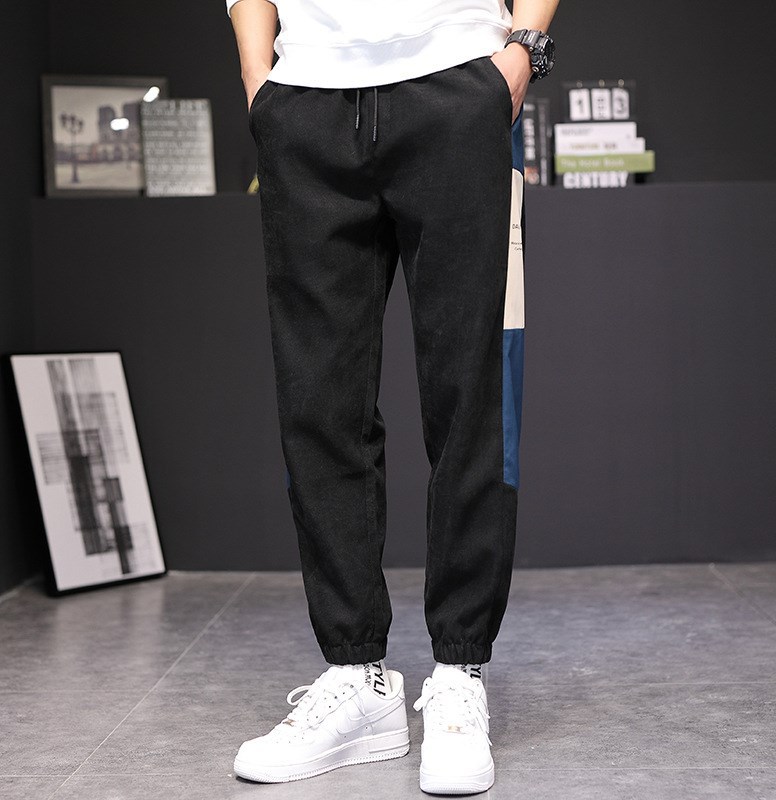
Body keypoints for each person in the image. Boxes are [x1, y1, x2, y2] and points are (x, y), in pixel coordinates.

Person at [226, 0, 560, 794]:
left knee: (471, 393)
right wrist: (260, 84)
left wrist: (520, 52)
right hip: (304, 103)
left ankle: (459, 673)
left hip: (457, 86)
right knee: (319, 404)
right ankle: (357, 677)